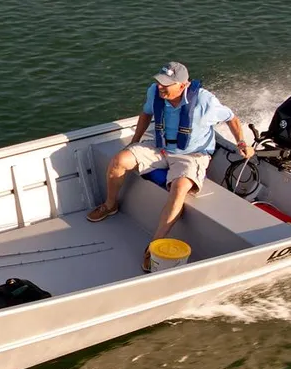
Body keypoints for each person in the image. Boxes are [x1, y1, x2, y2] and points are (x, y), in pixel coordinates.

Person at [86, 61, 255, 271]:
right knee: (119, 161)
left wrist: (241, 142)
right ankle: (110, 204)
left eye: (166, 84)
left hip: (192, 154)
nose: (160, 86)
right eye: (159, 82)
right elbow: (146, 114)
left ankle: (154, 245)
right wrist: (135, 141)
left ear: (183, 85)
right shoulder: (155, 92)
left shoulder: (205, 101)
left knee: (179, 188)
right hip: (161, 146)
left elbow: (232, 118)